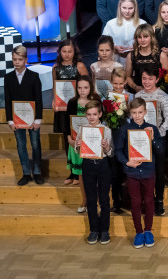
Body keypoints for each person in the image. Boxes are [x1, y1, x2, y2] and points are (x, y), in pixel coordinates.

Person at [116, 98, 161, 248]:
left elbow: (161, 151)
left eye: (140, 112)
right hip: (132, 171)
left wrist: (153, 139)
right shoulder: (125, 129)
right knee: (135, 202)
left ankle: (148, 231)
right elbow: (118, 150)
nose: (137, 115)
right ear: (130, 113)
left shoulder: (152, 128)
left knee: (149, 201)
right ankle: (138, 232)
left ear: (145, 112)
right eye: (134, 113)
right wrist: (126, 162)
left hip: (148, 171)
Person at [135, 67, 168, 216]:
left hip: (157, 139)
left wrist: (156, 133)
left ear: (157, 79)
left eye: (150, 79)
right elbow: (132, 117)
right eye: (144, 78)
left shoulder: (162, 96)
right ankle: (146, 200)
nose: (147, 82)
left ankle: (159, 201)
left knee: (158, 171)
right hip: (140, 140)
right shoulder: (138, 96)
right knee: (143, 171)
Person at [74, 100, 114, 245]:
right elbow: (77, 150)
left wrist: (107, 147)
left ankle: (105, 231)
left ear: (100, 114)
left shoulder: (106, 130)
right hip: (88, 165)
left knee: (104, 199)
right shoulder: (82, 129)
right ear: (86, 115)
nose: (92, 117)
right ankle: (94, 230)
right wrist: (77, 146)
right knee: (91, 199)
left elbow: (110, 153)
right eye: (89, 114)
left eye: (94, 114)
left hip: (102, 165)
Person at [4, 45, 44, 185]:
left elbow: (39, 99)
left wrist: (38, 119)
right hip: (16, 119)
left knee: (35, 144)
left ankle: (38, 172)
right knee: (21, 145)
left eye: (20, 59)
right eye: (14, 59)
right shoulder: (8, 78)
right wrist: (10, 120)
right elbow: (8, 101)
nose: (17, 62)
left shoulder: (34, 76)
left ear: (26, 60)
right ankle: (26, 173)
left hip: (33, 118)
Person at [53, 39, 90, 185]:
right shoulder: (55, 68)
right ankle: (73, 172)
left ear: (75, 52)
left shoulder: (79, 66)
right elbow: (55, 88)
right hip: (63, 109)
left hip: (77, 108)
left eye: (70, 51)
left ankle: (81, 171)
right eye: (64, 51)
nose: (67, 54)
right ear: (59, 52)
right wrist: (53, 102)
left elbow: (87, 84)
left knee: (80, 139)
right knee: (67, 140)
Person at [67, 76, 101, 214]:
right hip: (77, 143)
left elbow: (101, 123)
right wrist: (69, 138)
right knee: (81, 173)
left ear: (90, 88)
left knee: (95, 173)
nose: (82, 90)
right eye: (80, 88)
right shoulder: (72, 102)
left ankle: (96, 200)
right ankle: (85, 200)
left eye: (85, 87)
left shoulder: (96, 102)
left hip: (93, 143)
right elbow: (66, 123)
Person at [107, 67, 130, 213]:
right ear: (111, 82)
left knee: (127, 171)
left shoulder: (130, 97)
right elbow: (104, 121)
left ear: (125, 82)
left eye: (121, 83)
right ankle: (116, 202)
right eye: (115, 83)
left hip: (127, 138)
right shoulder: (107, 98)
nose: (118, 86)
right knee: (115, 172)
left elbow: (134, 117)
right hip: (113, 138)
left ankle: (127, 201)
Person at [126, 24, 168, 93]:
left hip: (157, 93)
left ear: (151, 37)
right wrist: (136, 87)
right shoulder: (131, 55)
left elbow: (167, 78)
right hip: (138, 92)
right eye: (139, 37)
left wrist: (157, 90)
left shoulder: (161, 55)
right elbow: (127, 77)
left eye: (145, 37)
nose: (142, 40)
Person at [102, 0, 144, 66]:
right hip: (115, 60)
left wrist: (138, 46)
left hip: (136, 61)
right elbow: (103, 44)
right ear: (119, 8)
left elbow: (150, 43)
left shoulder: (142, 23)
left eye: (130, 8)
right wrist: (114, 46)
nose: (127, 11)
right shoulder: (110, 24)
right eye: (124, 8)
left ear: (135, 8)